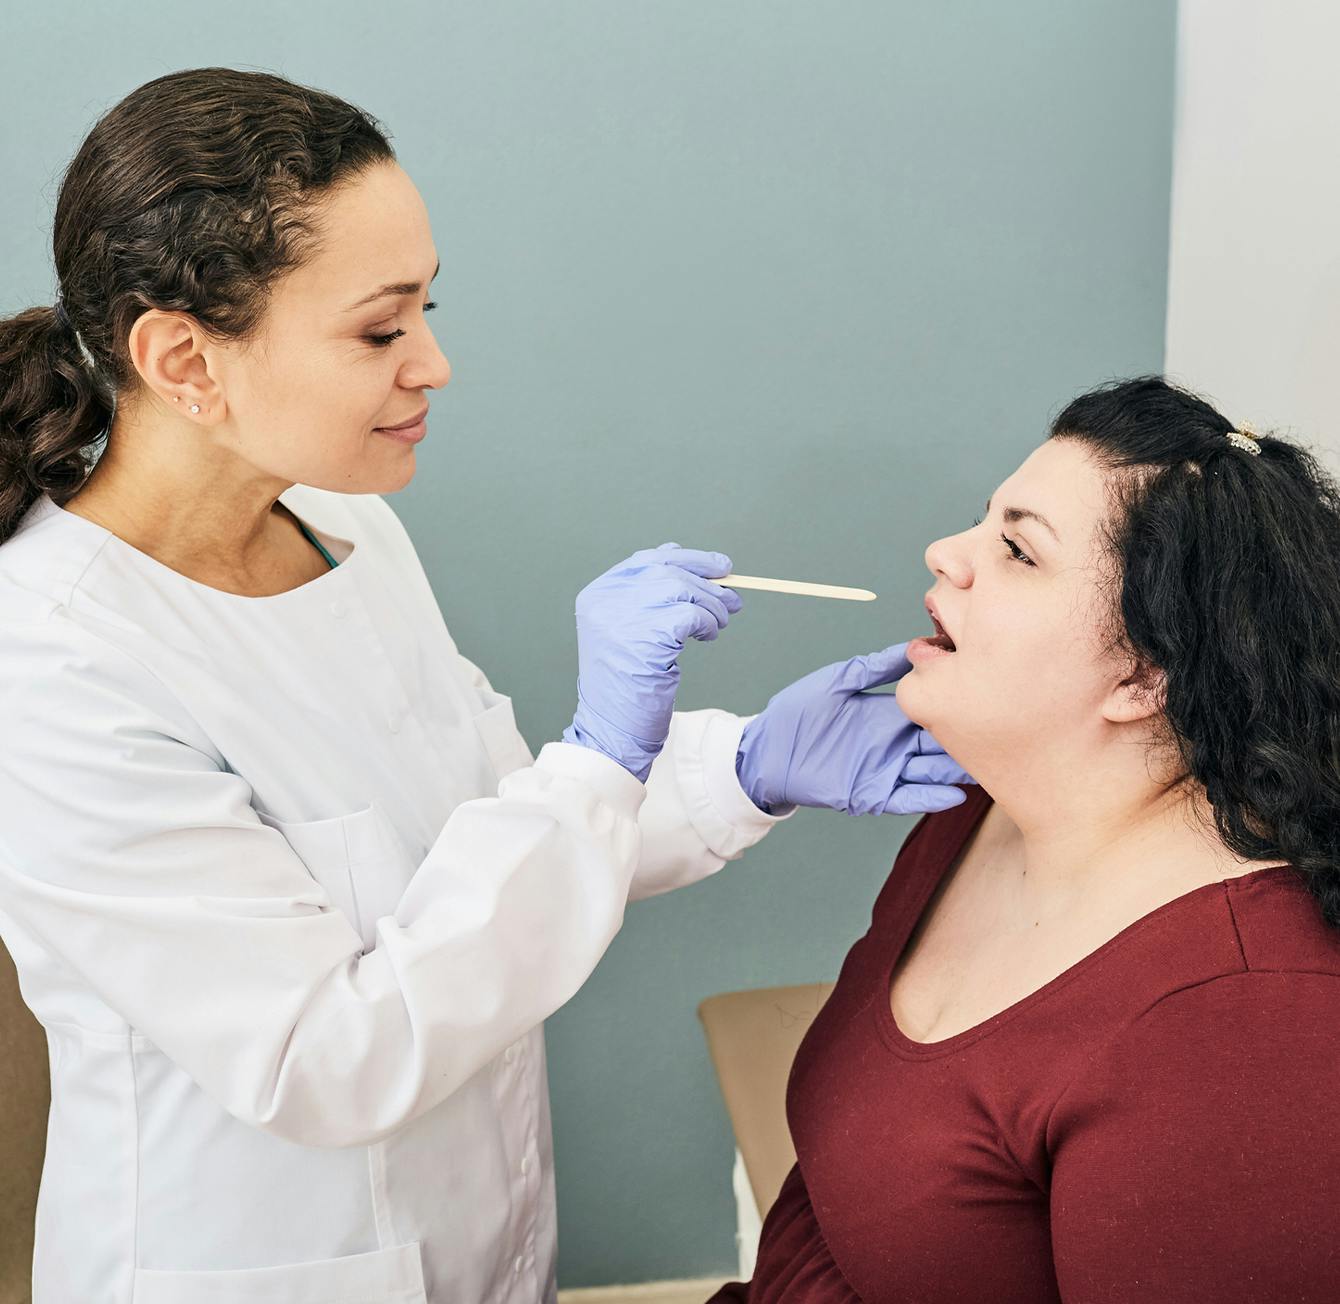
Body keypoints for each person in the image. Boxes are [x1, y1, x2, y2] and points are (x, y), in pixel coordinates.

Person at [0, 68, 971, 1304]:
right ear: (184, 357)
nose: (435, 363)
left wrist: (740, 765)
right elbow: (328, 1056)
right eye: (380, 328)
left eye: (427, 309)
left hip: (482, 1240)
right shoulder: (54, 664)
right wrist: (603, 758)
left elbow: (496, 825)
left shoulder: (347, 524)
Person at [710, 377, 1340, 1303]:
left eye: (1017, 550)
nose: (945, 554)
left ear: (1143, 677)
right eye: (985, 520)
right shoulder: (977, 807)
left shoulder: (1236, 1024)